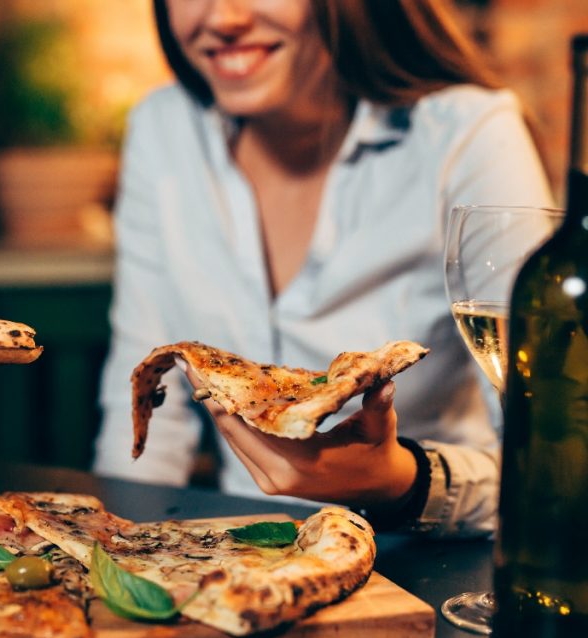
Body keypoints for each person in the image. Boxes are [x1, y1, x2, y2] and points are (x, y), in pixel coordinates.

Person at [93, 0, 555, 537]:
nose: (221, 19)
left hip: (428, 561)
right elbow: (146, 416)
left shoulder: (469, 134)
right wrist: (114, 553)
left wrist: (402, 482)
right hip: (235, 555)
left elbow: (553, 458)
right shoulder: (163, 126)